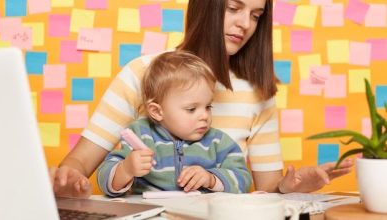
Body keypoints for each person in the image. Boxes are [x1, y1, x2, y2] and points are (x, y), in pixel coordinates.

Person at [51, 0, 353, 198]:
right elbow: (78, 164)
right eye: (234, 8)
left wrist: (292, 189)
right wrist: (68, 180)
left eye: (255, 15)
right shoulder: (143, 73)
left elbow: (266, 196)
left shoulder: (258, 93)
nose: (245, 24)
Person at [97, 51, 252, 196]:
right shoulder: (141, 135)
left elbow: (243, 179)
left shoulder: (219, 142)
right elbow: (104, 178)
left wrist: (211, 179)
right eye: (191, 109)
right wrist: (126, 169)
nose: (204, 116)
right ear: (157, 112)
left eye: (208, 106)